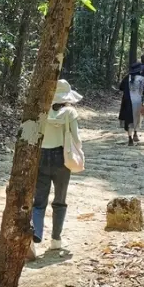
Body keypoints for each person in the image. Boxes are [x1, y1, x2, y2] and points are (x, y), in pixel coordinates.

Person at [30, 79, 83, 259]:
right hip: (62, 157)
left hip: (42, 156)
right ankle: (56, 239)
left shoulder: (41, 111)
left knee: (39, 200)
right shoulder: (70, 112)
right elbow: (76, 138)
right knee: (60, 200)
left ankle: (35, 234)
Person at [118, 62, 144, 145]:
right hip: (137, 100)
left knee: (129, 119)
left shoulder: (127, 77)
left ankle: (130, 138)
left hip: (127, 100)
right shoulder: (141, 78)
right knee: (137, 117)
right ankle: (135, 134)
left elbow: (120, 87)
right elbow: (142, 90)